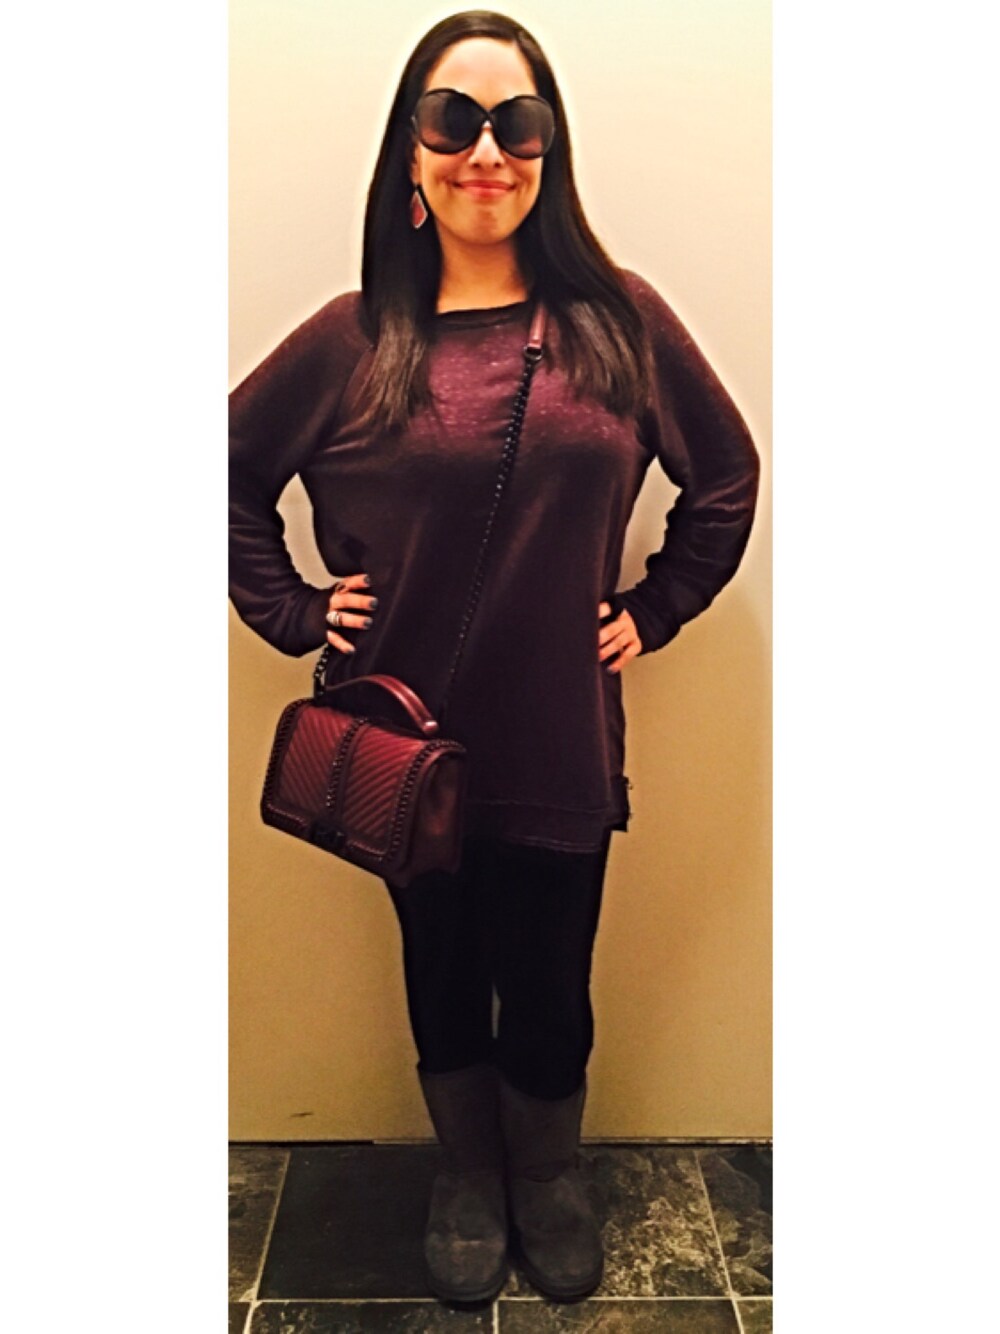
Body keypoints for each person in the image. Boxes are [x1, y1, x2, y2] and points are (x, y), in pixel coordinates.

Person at [230, 8, 759, 1307]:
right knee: (443, 963)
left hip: (559, 731)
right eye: (451, 119)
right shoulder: (354, 337)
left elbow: (727, 479)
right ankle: (468, 1174)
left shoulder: (619, 322)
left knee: (552, 975)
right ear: (410, 152)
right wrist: (296, 610)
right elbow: (218, 475)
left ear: (549, 147)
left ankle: (548, 1171)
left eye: (516, 122)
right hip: (402, 741)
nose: (485, 150)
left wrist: (657, 608)